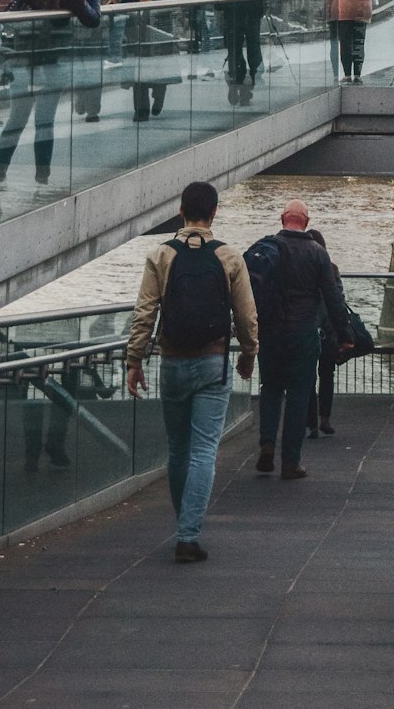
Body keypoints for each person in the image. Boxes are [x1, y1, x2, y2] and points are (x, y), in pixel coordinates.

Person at [126, 180, 258, 562]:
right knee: (203, 450)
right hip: (212, 363)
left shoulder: (160, 256)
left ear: (180, 211)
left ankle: (183, 522)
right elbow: (247, 315)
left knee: (178, 449)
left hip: (171, 362)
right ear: (214, 213)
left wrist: (135, 359)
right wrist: (249, 353)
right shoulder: (229, 257)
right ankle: (188, 534)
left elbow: (144, 312)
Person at [0, 0, 101, 194]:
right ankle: (42, 179)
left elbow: (15, 4)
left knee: (15, 120)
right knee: (44, 122)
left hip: (22, 57)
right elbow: (93, 19)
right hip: (53, 60)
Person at [253, 201, 351, 479]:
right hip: (303, 332)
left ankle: (267, 443)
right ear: (306, 223)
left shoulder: (268, 248)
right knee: (298, 394)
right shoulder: (318, 254)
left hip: (270, 332)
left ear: (283, 218)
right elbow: (333, 298)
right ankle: (290, 461)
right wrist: (345, 334)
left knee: (270, 388)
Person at [68, 0, 118, 123]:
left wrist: (110, 2)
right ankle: (80, 100)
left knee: (95, 66)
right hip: (74, 17)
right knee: (77, 65)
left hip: (98, 16)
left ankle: (93, 110)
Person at [121, 0, 178, 121]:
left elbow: (173, 3)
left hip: (159, 31)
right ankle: (141, 111)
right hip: (137, 32)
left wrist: (154, 4)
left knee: (159, 69)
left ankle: (159, 94)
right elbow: (124, 6)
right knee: (139, 72)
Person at [303, 227, 345, 440]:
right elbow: (338, 300)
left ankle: (311, 423)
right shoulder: (332, 269)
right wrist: (343, 332)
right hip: (329, 331)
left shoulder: (303, 270)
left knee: (309, 378)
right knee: (327, 375)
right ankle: (325, 419)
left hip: (310, 329)